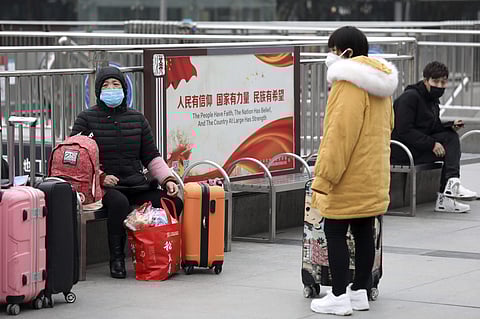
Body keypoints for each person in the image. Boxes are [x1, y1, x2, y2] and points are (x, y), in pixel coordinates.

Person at [310, 26, 398, 315]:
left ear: (345, 52)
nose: (330, 55)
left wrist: (323, 178)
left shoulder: (348, 85)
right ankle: (359, 291)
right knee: (362, 231)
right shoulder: (380, 85)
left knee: (334, 230)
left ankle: (337, 296)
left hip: (347, 175)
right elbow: (388, 128)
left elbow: (339, 135)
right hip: (372, 174)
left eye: (333, 49)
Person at [71, 66, 182, 279]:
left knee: (173, 201)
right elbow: (76, 156)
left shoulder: (137, 119)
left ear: (124, 89)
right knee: (119, 203)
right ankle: (117, 259)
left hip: (136, 184)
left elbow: (151, 156)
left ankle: (167, 251)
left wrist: (167, 179)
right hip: (104, 188)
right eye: (105, 85)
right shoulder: (86, 119)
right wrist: (102, 177)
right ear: (98, 91)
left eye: (116, 84)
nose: (111, 89)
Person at [391, 61, 477, 213]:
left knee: (450, 136)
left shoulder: (431, 100)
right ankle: (450, 190)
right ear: (426, 81)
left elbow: (431, 127)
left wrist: (450, 125)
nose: (439, 85)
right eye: (435, 81)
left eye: (443, 82)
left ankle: (450, 189)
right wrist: (432, 144)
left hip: (417, 148)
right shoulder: (409, 98)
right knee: (449, 142)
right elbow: (404, 130)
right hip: (402, 151)